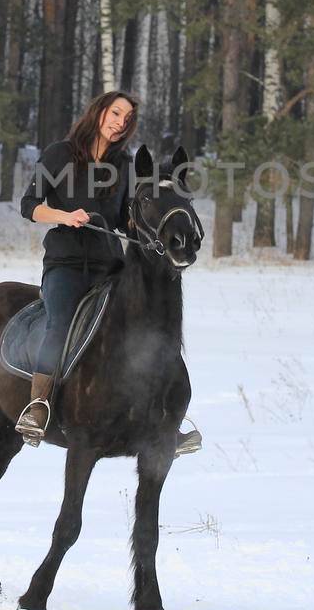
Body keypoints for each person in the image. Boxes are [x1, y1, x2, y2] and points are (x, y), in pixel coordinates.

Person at [17, 91, 201, 457]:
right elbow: (29, 206)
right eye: (115, 113)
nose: (120, 122)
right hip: (66, 264)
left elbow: (122, 219)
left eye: (127, 118)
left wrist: (152, 226)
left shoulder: (123, 163)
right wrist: (65, 216)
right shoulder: (59, 155)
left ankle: (167, 418)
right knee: (61, 321)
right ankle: (39, 406)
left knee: (147, 325)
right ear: (99, 111)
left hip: (109, 264)